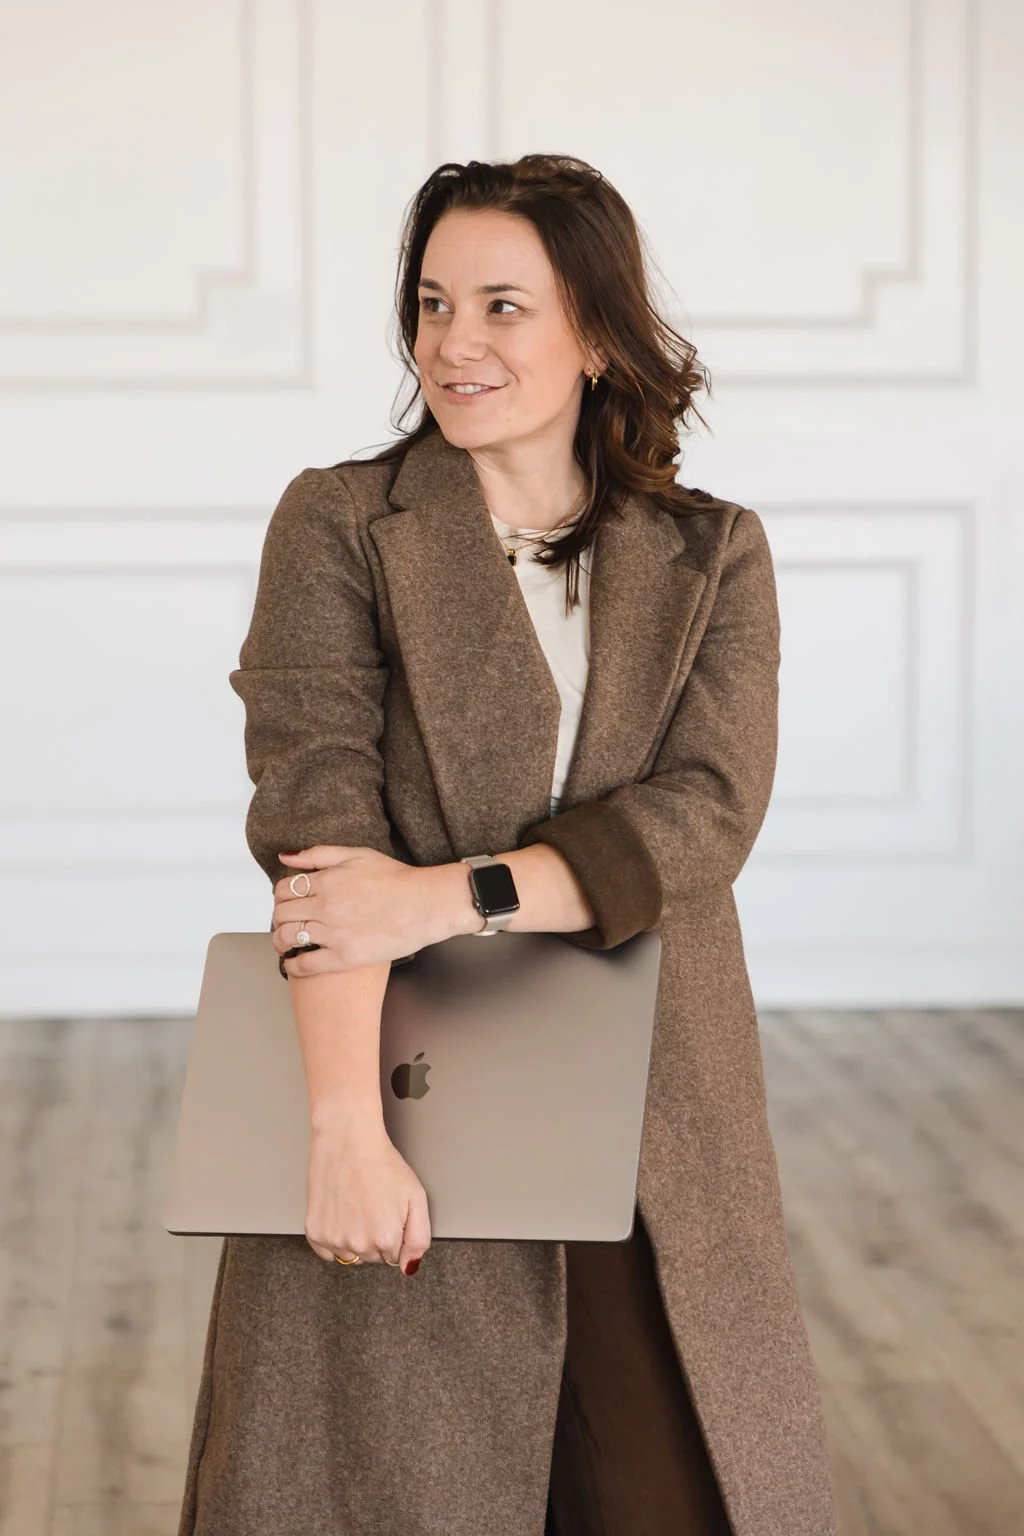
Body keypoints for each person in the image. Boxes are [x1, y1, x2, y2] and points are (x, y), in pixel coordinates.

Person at [177, 154, 836, 1536]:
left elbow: (708, 811)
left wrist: (448, 895)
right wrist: (346, 1135)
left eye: (500, 305)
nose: (452, 344)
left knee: (667, 1488)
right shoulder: (343, 523)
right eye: (430, 304)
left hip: (657, 1100)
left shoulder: (712, 552)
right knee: (385, 1489)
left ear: (596, 332)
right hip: (405, 1084)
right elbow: (319, 838)